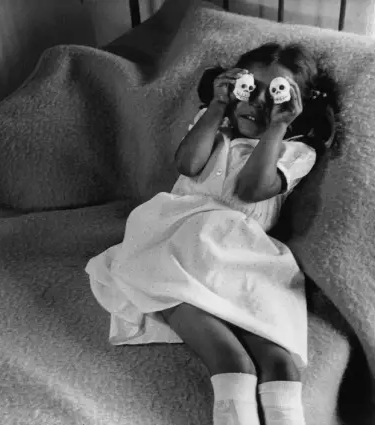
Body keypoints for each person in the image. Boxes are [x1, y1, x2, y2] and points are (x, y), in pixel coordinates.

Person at [85, 42, 336, 425]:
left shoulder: (294, 150)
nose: (259, 103)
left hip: (243, 255)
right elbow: (188, 163)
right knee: (233, 361)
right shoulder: (212, 126)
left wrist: (278, 126)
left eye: (276, 94)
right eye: (250, 88)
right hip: (179, 239)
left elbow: (251, 189)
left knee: (280, 364)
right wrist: (218, 106)